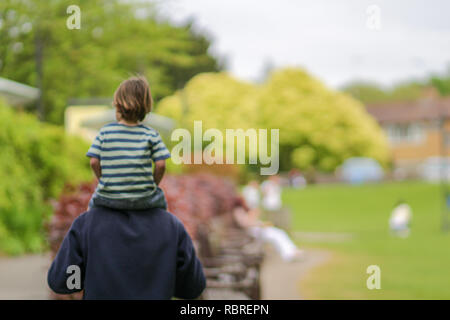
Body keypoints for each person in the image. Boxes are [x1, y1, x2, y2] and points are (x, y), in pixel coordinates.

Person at [47, 205, 206, 299]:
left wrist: (90, 274)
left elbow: (61, 282)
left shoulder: (87, 223)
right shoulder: (171, 225)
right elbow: (193, 288)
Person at [86, 76, 170, 210]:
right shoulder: (151, 135)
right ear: (145, 106)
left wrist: (104, 181)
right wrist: (152, 185)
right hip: (143, 199)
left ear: (118, 105)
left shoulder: (105, 132)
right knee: (162, 204)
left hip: (109, 198)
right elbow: (161, 165)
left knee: (92, 207)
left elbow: (93, 162)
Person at [232, 198, 304, 262]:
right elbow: (245, 223)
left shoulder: (240, 210)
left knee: (279, 233)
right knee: (277, 234)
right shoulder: (238, 211)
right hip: (254, 231)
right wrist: (259, 223)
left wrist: (259, 222)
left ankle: (291, 251)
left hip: (257, 229)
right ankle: (289, 253)